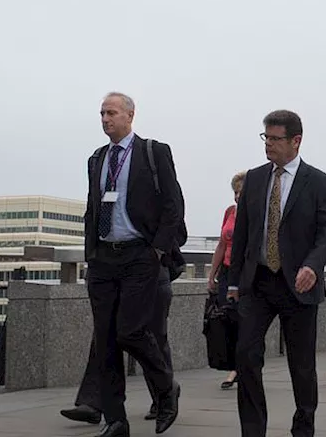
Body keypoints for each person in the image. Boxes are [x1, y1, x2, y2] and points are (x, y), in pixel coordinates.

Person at [228, 110, 326, 437]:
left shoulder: (318, 181)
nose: (269, 145)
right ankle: (253, 430)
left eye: (276, 139)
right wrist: (234, 282)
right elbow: (244, 235)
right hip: (259, 282)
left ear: (296, 140)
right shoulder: (255, 178)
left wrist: (313, 264)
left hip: (298, 283)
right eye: (266, 138)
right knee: (246, 355)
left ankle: (303, 427)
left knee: (301, 365)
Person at [83, 92, 185, 437]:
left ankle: (166, 389)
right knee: (106, 339)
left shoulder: (153, 153)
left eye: (111, 112)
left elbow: (174, 206)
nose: (105, 119)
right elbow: (92, 208)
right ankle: (116, 420)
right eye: (101, 113)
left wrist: (156, 251)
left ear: (130, 115)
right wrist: (90, 254)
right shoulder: (97, 159)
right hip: (103, 260)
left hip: (139, 255)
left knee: (131, 331)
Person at [62, 263, 180, 427]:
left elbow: (176, 237)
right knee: (104, 338)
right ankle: (93, 403)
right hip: (113, 272)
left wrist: (155, 253)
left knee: (150, 338)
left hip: (150, 275)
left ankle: (164, 393)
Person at [208, 171, 246, 389]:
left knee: (243, 320)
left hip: (244, 274)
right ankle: (234, 364)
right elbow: (222, 244)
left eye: (241, 192)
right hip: (227, 270)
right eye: (235, 192)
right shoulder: (230, 212)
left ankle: (239, 369)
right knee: (226, 318)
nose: (237, 196)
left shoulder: (255, 214)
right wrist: (212, 273)